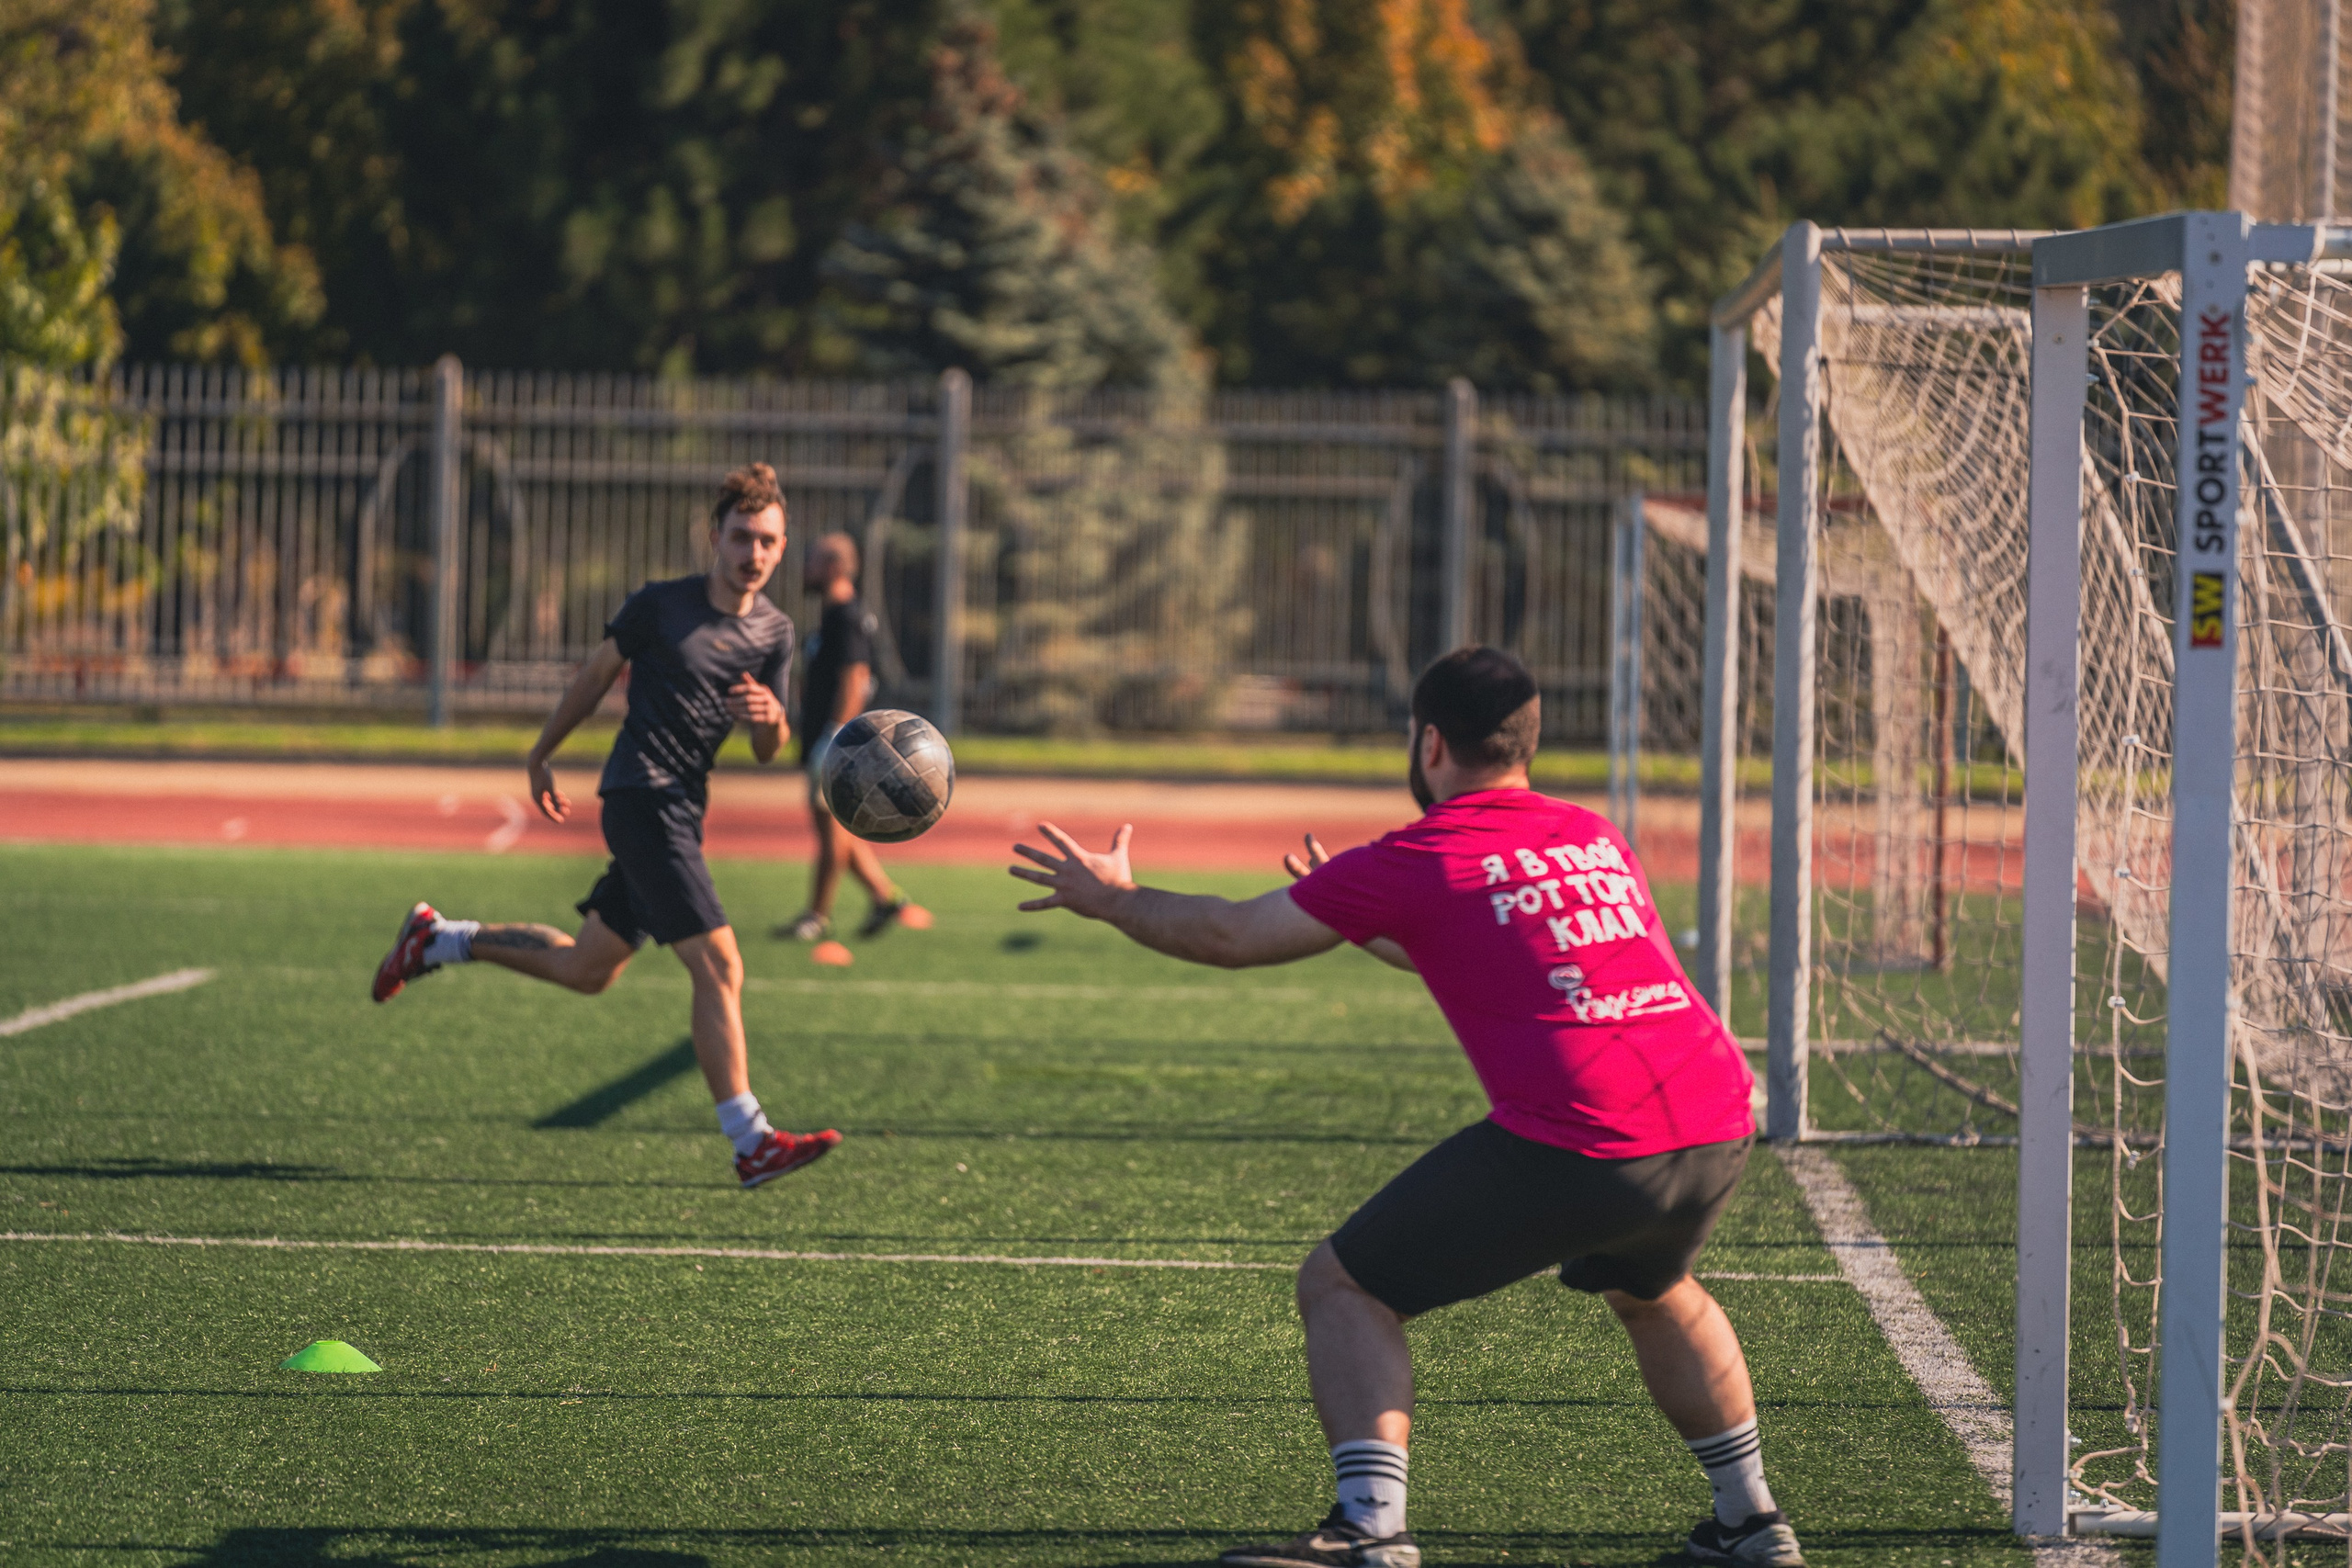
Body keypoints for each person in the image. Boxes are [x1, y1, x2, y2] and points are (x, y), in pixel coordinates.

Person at [1009, 647, 1802, 1568]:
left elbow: (1230, 935)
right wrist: (1360, 916)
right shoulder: (1588, 834)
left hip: (1587, 1135)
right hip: (1713, 1114)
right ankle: (1750, 1522)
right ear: (1524, 744)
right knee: (1648, 1286)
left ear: (1428, 744)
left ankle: (1368, 1528)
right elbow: (1505, 947)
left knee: (1344, 1284)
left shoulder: (1419, 855)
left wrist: (1113, 899)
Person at [370, 462, 842, 1190]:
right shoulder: (660, 606)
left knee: (589, 969)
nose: (755, 553)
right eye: (743, 536)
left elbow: (770, 747)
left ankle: (440, 938)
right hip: (639, 797)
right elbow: (593, 678)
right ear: (715, 536)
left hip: (685, 805)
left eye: (770, 542)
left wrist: (772, 719)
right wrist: (541, 753)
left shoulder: (775, 632)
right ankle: (751, 1139)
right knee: (721, 966)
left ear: (783, 548)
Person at [773, 530, 929, 954]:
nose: (805, 567)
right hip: (823, 738)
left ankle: (816, 916)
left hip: (836, 742)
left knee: (831, 831)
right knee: (838, 831)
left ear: (835, 567)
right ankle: (886, 897)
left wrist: (834, 739)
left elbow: (855, 677)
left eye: (813, 560)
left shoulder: (846, 615)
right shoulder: (830, 615)